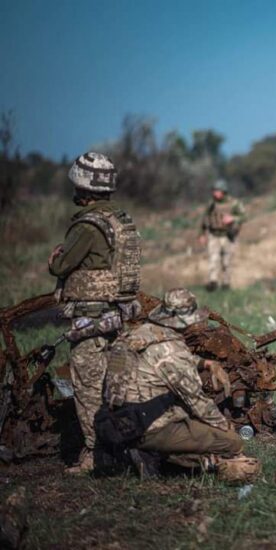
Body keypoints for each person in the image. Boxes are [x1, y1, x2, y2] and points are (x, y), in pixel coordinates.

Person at [98, 288, 260, 481]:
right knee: (231, 442)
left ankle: (141, 450)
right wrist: (224, 425)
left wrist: (204, 363)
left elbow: (158, 360)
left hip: (113, 418)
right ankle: (155, 455)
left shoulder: (141, 333)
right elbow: (197, 402)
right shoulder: (173, 352)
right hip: (146, 426)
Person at [48, 152, 142, 473]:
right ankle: (124, 447)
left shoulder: (88, 225)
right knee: (115, 384)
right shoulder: (123, 221)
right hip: (119, 315)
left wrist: (54, 260)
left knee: (88, 386)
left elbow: (62, 264)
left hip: (90, 318)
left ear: (81, 186)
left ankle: (94, 455)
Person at [199, 179, 245, 291]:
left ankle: (226, 283)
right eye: (214, 190)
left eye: (217, 191)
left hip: (228, 235)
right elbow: (205, 219)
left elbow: (244, 216)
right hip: (214, 235)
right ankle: (213, 282)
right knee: (213, 259)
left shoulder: (234, 203)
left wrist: (233, 218)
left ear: (223, 191)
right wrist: (202, 234)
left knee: (227, 261)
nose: (215, 193)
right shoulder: (211, 204)